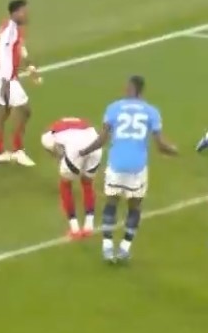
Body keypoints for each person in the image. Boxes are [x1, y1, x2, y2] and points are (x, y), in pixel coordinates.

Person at [71, 76, 177, 263]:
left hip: (116, 165)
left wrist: (84, 151)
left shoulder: (114, 108)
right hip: (137, 167)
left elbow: (102, 139)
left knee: (111, 204)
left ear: (131, 89)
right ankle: (124, 248)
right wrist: (173, 150)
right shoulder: (152, 112)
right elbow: (160, 145)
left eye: (126, 87)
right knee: (134, 207)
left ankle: (107, 247)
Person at [0, 0, 39, 166]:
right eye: (24, 11)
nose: (27, 14)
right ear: (15, 13)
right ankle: (18, 150)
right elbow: (4, 53)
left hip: (2, 75)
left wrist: (29, 66)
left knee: (3, 110)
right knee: (25, 111)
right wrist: (6, 81)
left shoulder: (14, 29)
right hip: (5, 77)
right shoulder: (9, 30)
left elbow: (19, 49)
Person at [39, 117, 102, 239]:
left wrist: (60, 158)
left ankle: (75, 229)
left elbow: (55, 151)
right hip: (95, 147)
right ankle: (89, 226)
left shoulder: (48, 135)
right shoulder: (86, 124)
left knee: (65, 185)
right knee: (88, 184)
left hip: (75, 150)